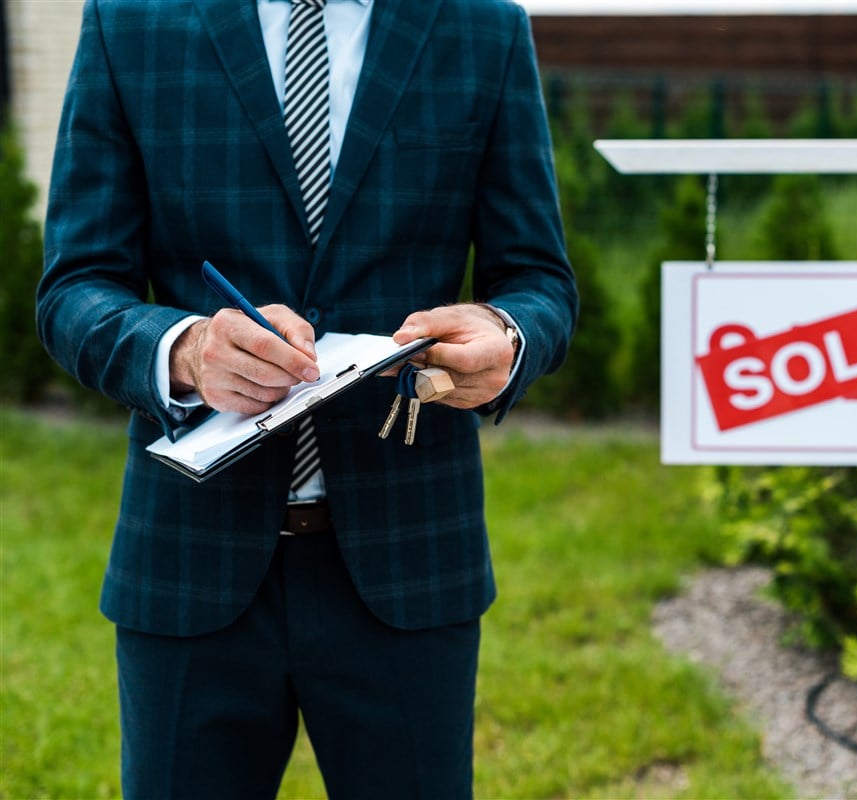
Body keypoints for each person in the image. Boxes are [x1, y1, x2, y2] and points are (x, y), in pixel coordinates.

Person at [36, 0, 577, 797]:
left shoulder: (481, 25)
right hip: (190, 558)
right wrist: (183, 350)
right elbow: (75, 288)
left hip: (411, 555)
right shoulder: (130, 20)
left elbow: (540, 282)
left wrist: (509, 334)